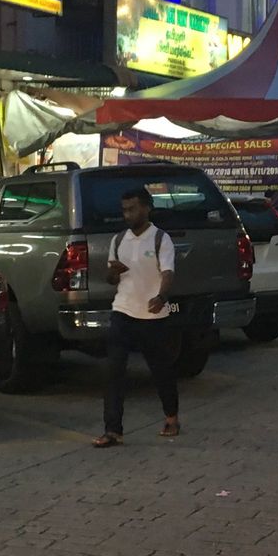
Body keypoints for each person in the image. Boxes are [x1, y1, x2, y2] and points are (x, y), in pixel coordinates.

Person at [93, 186, 179, 448]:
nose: (128, 214)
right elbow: (110, 279)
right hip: (123, 311)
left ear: (146, 208)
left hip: (153, 317)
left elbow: (168, 273)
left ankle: (172, 417)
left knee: (161, 371)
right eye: (124, 210)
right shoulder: (119, 240)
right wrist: (114, 272)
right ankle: (113, 430)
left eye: (133, 209)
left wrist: (161, 297)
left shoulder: (161, 239)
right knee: (114, 372)